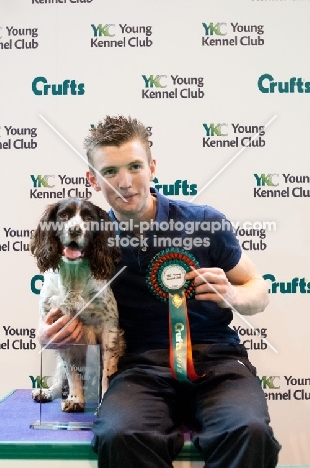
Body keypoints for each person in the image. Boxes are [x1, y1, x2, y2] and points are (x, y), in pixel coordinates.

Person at [37, 116, 281, 468]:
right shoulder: (87, 239)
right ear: (93, 179)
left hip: (218, 361)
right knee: (119, 435)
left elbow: (259, 289)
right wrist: (49, 335)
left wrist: (235, 295)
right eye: (110, 171)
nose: (125, 182)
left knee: (250, 432)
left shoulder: (204, 221)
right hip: (138, 367)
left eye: (135, 166)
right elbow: (60, 310)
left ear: (152, 167)